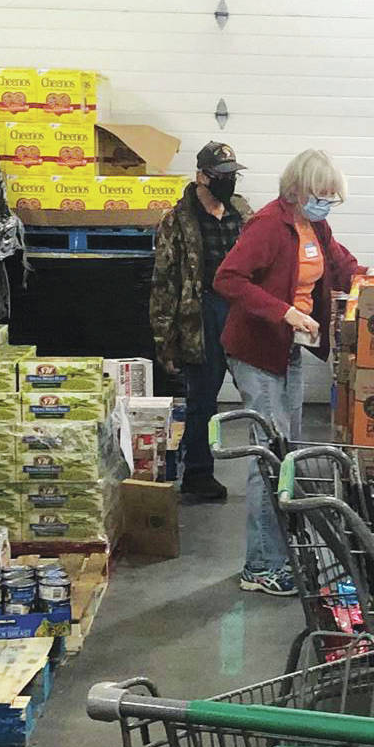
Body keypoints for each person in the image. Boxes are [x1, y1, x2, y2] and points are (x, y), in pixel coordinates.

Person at [212, 149, 362, 596]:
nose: (326, 204)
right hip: (257, 352)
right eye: (321, 195)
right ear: (297, 190)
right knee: (268, 458)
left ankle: (279, 554)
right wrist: (283, 313)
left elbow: (341, 265)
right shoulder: (266, 226)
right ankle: (260, 566)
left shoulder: (315, 225)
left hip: (289, 352)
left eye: (332, 199)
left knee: (287, 454)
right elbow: (228, 279)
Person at [150, 141, 252, 501]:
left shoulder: (241, 211)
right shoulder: (177, 220)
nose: (228, 183)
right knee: (202, 399)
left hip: (242, 309)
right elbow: (163, 284)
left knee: (257, 394)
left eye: (231, 176)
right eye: (221, 176)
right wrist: (165, 339)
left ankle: (268, 470)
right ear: (201, 176)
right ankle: (197, 474)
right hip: (202, 313)